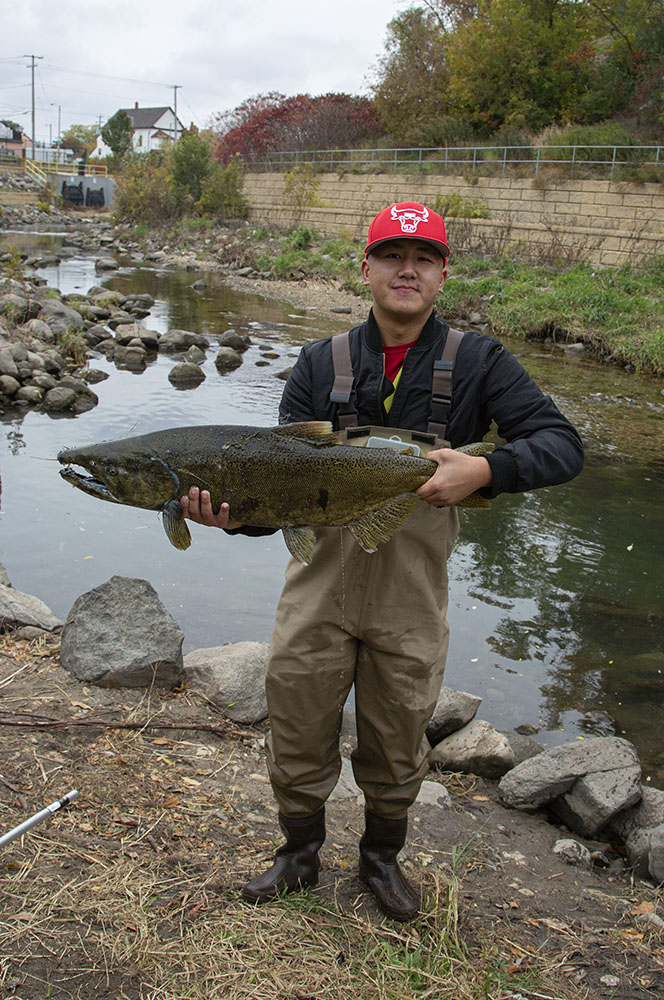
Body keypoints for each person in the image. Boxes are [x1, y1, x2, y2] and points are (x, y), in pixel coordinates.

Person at [181, 201, 584, 921]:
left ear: (442, 274)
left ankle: (379, 859)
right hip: (318, 587)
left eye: (423, 257)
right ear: (365, 268)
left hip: (410, 593)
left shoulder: (481, 363)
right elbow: (281, 493)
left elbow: (562, 446)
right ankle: (298, 854)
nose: (407, 269)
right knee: (298, 719)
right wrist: (230, 517)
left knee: (399, 733)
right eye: (392, 255)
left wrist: (484, 471)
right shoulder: (318, 363)